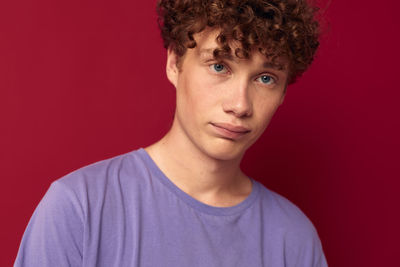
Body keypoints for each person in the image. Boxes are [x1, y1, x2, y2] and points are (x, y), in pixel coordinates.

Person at [14, 0, 327, 266]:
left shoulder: (294, 239)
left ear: (284, 93)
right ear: (175, 63)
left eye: (265, 78)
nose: (240, 104)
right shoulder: (79, 208)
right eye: (219, 66)